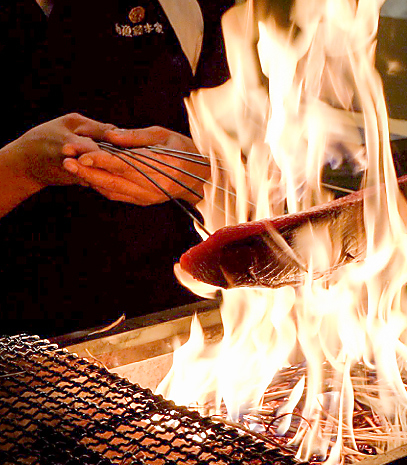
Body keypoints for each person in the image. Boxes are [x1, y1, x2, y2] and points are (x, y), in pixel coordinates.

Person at [0, 0, 233, 336]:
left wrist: (197, 172)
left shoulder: (193, 8)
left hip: (179, 330)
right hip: (20, 343)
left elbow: (258, 180)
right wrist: (22, 168)